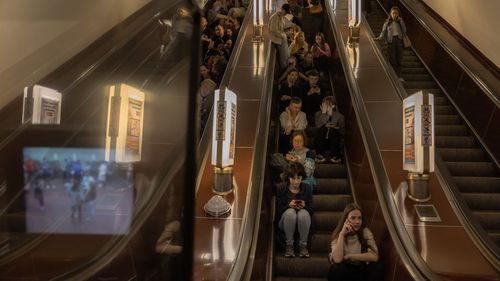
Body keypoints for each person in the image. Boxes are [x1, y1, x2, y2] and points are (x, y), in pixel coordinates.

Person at [328, 203, 382, 281]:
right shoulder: (339, 235)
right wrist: (342, 235)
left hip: (360, 270)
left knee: (377, 267)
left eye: (359, 218)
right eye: (353, 218)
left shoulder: (365, 232)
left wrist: (350, 256)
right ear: (346, 220)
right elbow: (337, 259)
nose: (357, 222)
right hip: (345, 271)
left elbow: (374, 257)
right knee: (336, 268)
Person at [276, 162, 313, 258]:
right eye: (293, 178)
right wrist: (289, 206)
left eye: (299, 178)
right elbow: (278, 211)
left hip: (303, 222)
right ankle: (289, 245)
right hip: (285, 222)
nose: (296, 182)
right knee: (290, 212)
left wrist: (304, 206)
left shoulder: (307, 188)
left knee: (303, 213)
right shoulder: (281, 188)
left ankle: (303, 245)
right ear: (288, 178)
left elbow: (312, 210)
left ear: (302, 178)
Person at [375, 6, 407, 81]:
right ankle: (393, 76)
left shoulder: (400, 23)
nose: (394, 15)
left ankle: (398, 76)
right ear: (390, 14)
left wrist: (402, 22)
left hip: (399, 41)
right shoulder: (387, 24)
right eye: (393, 13)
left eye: (396, 13)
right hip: (391, 42)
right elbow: (383, 33)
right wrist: (378, 38)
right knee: (392, 60)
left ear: (398, 14)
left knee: (399, 60)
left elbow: (405, 31)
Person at [314, 96, 345, 163]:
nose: (325, 106)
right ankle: (319, 154)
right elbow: (318, 127)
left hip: (333, 141)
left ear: (333, 106)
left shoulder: (340, 116)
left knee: (333, 130)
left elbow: (342, 132)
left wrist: (334, 127)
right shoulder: (318, 114)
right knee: (322, 129)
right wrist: (324, 114)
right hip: (321, 140)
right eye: (324, 104)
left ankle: (335, 156)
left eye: (327, 105)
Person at [269, 4, 292, 69]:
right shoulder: (275, 17)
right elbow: (273, 29)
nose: (286, 14)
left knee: (286, 53)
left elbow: (282, 27)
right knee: (283, 55)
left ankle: (286, 66)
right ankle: (284, 68)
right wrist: (283, 35)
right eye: (286, 12)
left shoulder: (281, 16)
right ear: (283, 10)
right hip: (277, 39)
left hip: (281, 38)